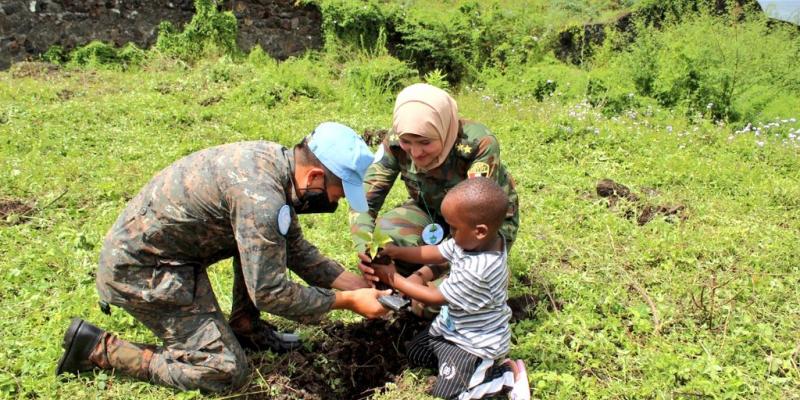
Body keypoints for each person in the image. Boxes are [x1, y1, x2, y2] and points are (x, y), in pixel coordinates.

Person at [56, 122, 392, 393]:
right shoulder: (262, 200)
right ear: (315, 177)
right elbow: (270, 292)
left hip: (171, 256)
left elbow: (296, 251)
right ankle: (98, 348)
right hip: (143, 271)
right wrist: (347, 301)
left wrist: (360, 286)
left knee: (266, 248)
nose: (335, 203)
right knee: (224, 370)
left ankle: (246, 327)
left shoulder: (276, 165)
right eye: (338, 193)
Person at [369, 177, 530, 400]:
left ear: (480, 231)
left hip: (474, 345)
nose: (450, 233)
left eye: (453, 228)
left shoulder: (480, 268)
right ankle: (455, 369)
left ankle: (503, 377)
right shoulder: (473, 240)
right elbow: (436, 252)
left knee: (448, 394)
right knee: (415, 353)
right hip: (451, 329)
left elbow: (435, 297)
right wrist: (397, 252)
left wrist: (392, 277)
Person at [352, 83, 520, 285]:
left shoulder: (477, 145)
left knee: (450, 291)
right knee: (386, 243)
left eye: (425, 143)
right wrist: (366, 249)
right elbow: (364, 201)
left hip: (480, 225)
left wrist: (425, 274)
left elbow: (475, 224)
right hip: (429, 209)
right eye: (407, 142)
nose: (415, 153)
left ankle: (491, 273)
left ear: (443, 130)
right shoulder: (395, 142)